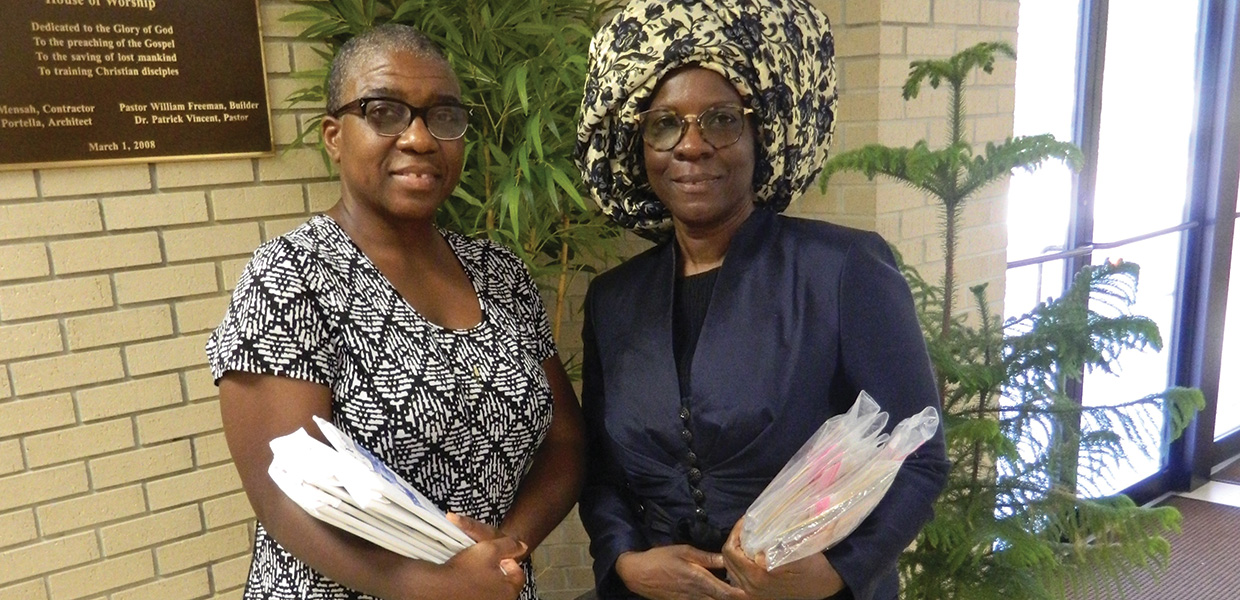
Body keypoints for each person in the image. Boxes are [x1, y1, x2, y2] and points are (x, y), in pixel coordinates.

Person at [573, 1, 950, 599]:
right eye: (664, 124)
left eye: (720, 120)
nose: (691, 146)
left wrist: (835, 574)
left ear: (761, 134)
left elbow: (919, 457)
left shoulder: (842, 271)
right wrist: (624, 560)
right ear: (641, 146)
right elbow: (601, 473)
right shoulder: (613, 301)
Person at [206, 23, 585, 600]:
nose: (419, 138)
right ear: (334, 136)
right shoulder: (292, 276)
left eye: (443, 116)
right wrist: (429, 586)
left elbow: (566, 443)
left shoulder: (500, 273)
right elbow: (281, 493)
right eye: (384, 112)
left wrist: (506, 549)